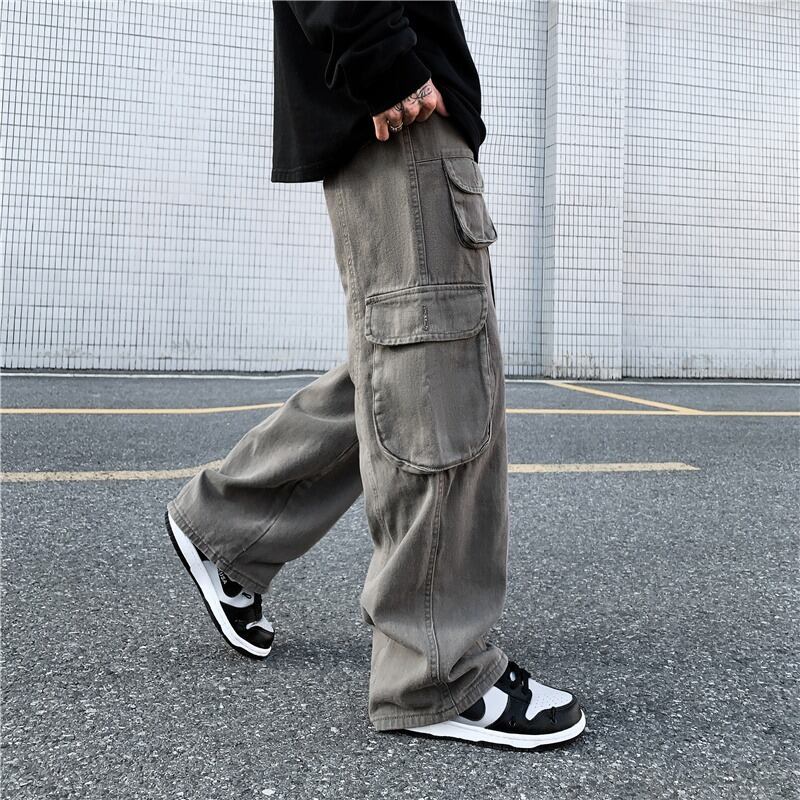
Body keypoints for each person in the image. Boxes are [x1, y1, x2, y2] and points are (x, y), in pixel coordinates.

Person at [164, 0, 586, 751]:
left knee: (403, 370)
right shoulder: (388, 78)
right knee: (435, 383)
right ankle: (435, 671)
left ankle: (229, 525)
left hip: (403, 114)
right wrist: (380, 56)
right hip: (400, 112)